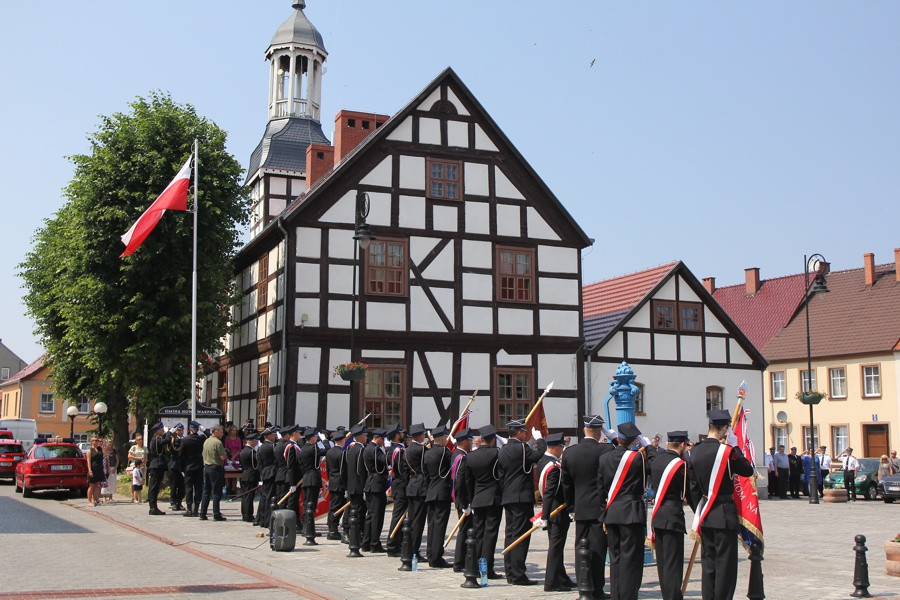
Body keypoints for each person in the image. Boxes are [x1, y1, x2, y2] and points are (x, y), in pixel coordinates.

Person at [688, 409, 755, 600]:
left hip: (706, 513)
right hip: (724, 513)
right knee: (725, 564)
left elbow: (692, 488)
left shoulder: (695, 451)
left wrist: (700, 509)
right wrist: (735, 447)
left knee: (708, 563)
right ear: (725, 428)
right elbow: (748, 470)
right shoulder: (728, 452)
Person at [561, 415, 614, 599]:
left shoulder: (570, 452)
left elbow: (566, 484)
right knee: (598, 550)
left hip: (580, 508)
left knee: (581, 550)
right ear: (599, 432)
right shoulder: (606, 450)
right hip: (600, 508)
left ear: (584, 430)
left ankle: (583, 588)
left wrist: (572, 507)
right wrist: (613, 437)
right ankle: (597, 589)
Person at [599, 422, 647, 600]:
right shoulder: (637, 458)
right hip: (631, 512)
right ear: (634, 441)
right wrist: (648, 446)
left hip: (612, 511)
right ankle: (628, 596)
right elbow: (650, 469)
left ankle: (616, 594)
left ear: (618, 437)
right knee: (630, 559)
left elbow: (600, 488)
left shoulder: (604, 458)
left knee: (615, 558)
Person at [497, 418, 547, 586]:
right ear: (519, 433)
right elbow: (538, 455)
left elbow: (501, 475)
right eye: (524, 432)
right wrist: (540, 440)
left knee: (510, 534)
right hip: (521, 497)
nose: (525, 435)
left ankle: (510, 571)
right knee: (520, 536)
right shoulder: (522, 448)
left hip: (508, 496)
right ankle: (518, 574)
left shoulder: (503, 449)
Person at [649, 430, 690, 600]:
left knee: (663, 563)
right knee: (673, 564)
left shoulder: (657, 461)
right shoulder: (681, 465)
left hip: (658, 515)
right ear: (682, 445)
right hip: (673, 516)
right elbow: (686, 492)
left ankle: (667, 595)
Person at [463, 424, 503, 580]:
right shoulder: (496, 453)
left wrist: (470, 499)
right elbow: (500, 475)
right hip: (493, 497)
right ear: (492, 439)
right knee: (490, 534)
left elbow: (468, 481)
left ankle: (475, 564)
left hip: (478, 498)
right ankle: (487, 568)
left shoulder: (470, 456)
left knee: (479, 533)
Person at [536, 432, 574, 592]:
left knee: (556, 546)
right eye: (562, 448)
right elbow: (549, 493)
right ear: (557, 447)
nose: (562, 451)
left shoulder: (542, 460)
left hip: (551, 510)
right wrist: (544, 516)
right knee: (556, 547)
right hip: (556, 512)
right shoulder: (553, 467)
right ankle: (551, 582)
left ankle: (562, 577)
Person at [424, 424, 453, 568]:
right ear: (441, 438)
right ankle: (436, 557)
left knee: (432, 525)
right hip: (442, 491)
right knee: (440, 527)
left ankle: (430, 554)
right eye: (445, 436)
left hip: (430, 491)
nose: (447, 439)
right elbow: (453, 465)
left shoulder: (427, 453)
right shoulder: (444, 451)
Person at [402, 422, 428, 565]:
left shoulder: (407, 449)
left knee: (412, 519)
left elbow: (405, 471)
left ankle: (409, 548)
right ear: (420, 436)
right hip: (420, 486)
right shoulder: (421, 450)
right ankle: (414, 551)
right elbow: (426, 467)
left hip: (411, 485)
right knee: (418, 522)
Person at [450, 428, 474, 572]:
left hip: (460, 498)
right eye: (470, 441)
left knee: (464, 530)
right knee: (464, 531)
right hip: (463, 500)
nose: (471, 443)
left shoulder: (456, 454)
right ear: (465, 442)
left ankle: (462, 560)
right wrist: (465, 504)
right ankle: (459, 562)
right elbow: (460, 482)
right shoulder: (462, 458)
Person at [363, 427, 389, 552]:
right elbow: (385, 460)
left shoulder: (368, 447)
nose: (383, 442)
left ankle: (366, 542)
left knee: (370, 515)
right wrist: (386, 450)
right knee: (377, 516)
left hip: (371, 483)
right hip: (376, 484)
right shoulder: (374, 449)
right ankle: (374, 543)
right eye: (382, 439)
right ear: (378, 438)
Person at [385, 424, 408, 555]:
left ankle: (397, 542)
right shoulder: (397, 450)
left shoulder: (397, 448)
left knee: (400, 515)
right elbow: (401, 470)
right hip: (401, 485)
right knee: (398, 515)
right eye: (401, 433)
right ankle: (392, 545)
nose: (403, 435)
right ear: (397, 435)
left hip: (399, 484)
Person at [299, 427, 324, 543]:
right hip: (313, 478)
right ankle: (308, 529)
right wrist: (324, 441)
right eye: (316, 436)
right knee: (311, 505)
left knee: (307, 504)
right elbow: (326, 450)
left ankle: (307, 528)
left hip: (306, 477)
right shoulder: (313, 448)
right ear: (311, 438)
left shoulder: (303, 448)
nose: (317, 438)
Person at [345, 424, 368, 547]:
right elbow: (360, 471)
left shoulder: (350, 449)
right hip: (358, 486)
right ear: (360, 436)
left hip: (351, 485)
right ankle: (357, 536)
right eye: (364, 435)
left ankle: (352, 533)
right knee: (359, 512)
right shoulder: (360, 450)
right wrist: (364, 487)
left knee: (353, 511)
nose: (366, 437)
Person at [199, 424, 227, 521]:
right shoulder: (218, 442)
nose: (222, 434)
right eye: (221, 432)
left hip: (207, 467)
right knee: (216, 492)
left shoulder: (207, 441)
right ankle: (216, 514)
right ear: (216, 431)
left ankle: (203, 513)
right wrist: (226, 454)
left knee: (206, 491)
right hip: (216, 468)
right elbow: (222, 457)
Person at [324, 428, 348, 541]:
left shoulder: (329, 452)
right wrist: (346, 486)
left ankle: (332, 527)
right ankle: (333, 529)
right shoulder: (342, 453)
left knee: (333, 505)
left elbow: (328, 469)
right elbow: (343, 471)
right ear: (342, 440)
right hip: (340, 483)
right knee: (338, 506)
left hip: (333, 481)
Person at [179, 422, 205, 517]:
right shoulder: (201, 439)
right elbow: (209, 435)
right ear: (197, 429)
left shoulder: (185, 440)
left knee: (188, 487)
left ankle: (189, 509)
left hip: (188, 466)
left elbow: (181, 455)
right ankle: (196, 509)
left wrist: (181, 468)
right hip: (199, 466)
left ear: (189, 429)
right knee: (198, 488)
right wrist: (203, 429)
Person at [255, 426, 279, 528]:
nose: (275, 436)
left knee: (264, 497)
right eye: (273, 434)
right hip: (271, 472)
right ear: (268, 436)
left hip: (265, 472)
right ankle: (267, 520)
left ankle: (261, 518)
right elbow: (276, 459)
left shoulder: (261, 447)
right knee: (270, 497)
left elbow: (259, 462)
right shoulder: (272, 446)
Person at [146, 422, 169, 515]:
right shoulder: (157, 439)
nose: (163, 430)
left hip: (157, 465)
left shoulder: (157, 438)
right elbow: (166, 440)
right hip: (156, 465)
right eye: (161, 429)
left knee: (155, 487)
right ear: (157, 430)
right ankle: (153, 508)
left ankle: (153, 507)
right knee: (154, 487)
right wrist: (168, 433)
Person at [239, 432, 261, 523]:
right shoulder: (251, 452)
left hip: (245, 474)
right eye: (255, 441)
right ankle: (248, 515)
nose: (256, 443)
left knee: (245, 496)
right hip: (251, 475)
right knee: (249, 496)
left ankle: (245, 514)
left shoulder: (243, 451)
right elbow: (256, 464)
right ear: (251, 441)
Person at [166, 423, 185, 511]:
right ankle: (173, 501)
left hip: (181, 466)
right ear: (176, 431)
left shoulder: (184, 439)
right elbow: (174, 448)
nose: (181, 432)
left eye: (182, 430)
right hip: (173, 465)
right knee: (174, 485)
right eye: (179, 430)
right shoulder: (173, 439)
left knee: (182, 485)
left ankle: (179, 502)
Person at [86, 435, 105, 506]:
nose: (97, 442)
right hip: (93, 469)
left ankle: (95, 499)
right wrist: (90, 470)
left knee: (97, 485)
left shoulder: (100, 449)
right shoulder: (90, 451)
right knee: (91, 485)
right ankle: (89, 501)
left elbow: (105, 454)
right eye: (95, 440)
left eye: (97, 440)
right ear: (91, 442)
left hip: (99, 469)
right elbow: (88, 462)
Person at [223, 425, 242, 497]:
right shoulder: (227, 439)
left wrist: (234, 457)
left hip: (236, 458)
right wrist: (230, 457)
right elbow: (226, 449)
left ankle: (234, 488)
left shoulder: (238, 439)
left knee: (235, 474)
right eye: (233, 430)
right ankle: (228, 488)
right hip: (228, 458)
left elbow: (239, 449)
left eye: (235, 430)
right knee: (228, 475)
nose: (234, 432)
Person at [102, 439, 118, 503]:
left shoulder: (114, 451)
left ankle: (111, 496)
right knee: (105, 482)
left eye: (111, 445)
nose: (109, 446)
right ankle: (104, 496)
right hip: (105, 468)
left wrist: (115, 468)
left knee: (112, 482)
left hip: (113, 467)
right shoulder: (104, 451)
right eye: (108, 444)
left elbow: (117, 460)